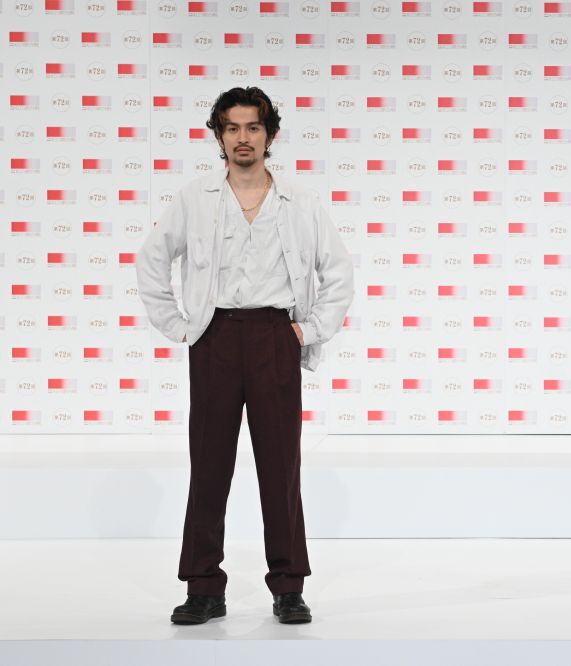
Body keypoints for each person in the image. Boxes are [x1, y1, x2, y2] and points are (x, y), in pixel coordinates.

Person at [137, 86, 354, 624]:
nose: (242, 138)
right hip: (214, 338)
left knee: (280, 468)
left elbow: (338, 271)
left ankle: (288, 587)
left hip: (275, 337)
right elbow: (152, 261)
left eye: (252, 127)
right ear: (218, 135)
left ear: (269, 134)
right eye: (232, 128)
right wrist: (180, 326)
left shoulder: (300, 201)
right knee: (209, 466)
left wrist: (310, 329)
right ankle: (203, 588)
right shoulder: (195, 198)